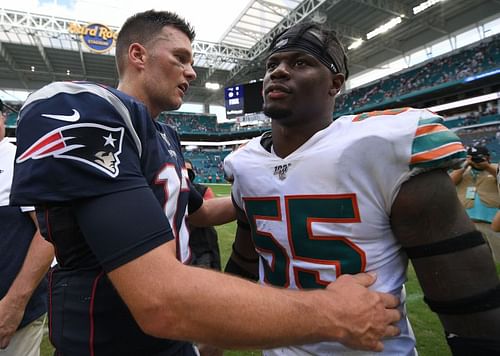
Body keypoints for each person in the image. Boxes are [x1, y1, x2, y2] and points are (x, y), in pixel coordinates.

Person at [9, 10, 401, 356]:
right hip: (109, 340)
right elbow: (160, 300)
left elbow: (199, 212)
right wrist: (331, 313)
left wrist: (263, 182)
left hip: (176, 341)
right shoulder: (82, 108)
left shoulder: (166, 136)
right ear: (138, 55)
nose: (192, 72)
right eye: (180, 58)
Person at [223, 22, 500, 355]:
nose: (279, 71)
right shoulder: (244, 163)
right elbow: (245, 257)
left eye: (300, 63)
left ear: (335, 84)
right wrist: (220, 326)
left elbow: (467, 296)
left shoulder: (386, 145)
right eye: (272, 64)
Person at [0, 99, 54, 355]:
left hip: (11, 315)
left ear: (2, 119)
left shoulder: (20, 160)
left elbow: (48, 234)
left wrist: (14, 302)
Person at [450, 145, 500, 261]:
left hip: (492, 222)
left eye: (479, 157)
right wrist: (464, 165)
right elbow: (450, 182)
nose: (476, 160)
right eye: (472, 158)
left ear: (488, 157)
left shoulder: (496, 169)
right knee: (475, 260)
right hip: (468, 223)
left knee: (498, 257)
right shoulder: (462, 172)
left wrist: (486, 166)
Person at [185, 160, 221, 270]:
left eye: (189, 171)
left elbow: (209, 214)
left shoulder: (203, 190)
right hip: (182, 246)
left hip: (203, 246)